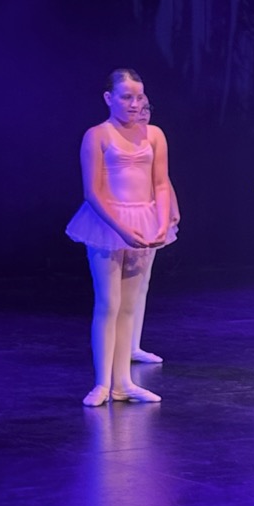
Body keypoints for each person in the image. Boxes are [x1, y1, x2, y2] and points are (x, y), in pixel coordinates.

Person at [66, 69, 175, 406]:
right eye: (126, 97)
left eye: (139, 97)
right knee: (108, 304)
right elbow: (92, 192)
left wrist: (161, 223)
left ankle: (123, 383)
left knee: (129, 306)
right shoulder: (98, 135)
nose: (134, 103)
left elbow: (161, 183)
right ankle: (102, 383)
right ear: (108, 98)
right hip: (108, 226)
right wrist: (122, 230)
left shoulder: (154, 135)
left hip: (144, 220)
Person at [130, 96, 181, 364]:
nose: (142, 112)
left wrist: (172, 206)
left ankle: (133, 345)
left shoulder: (153, 136)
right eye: (137, 107)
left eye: (147, 108)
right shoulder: (114, 137)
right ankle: (116, 347)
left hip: (148, 213)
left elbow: (162, 178)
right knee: (120, 288)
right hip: (123, 214)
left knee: (142, 281)